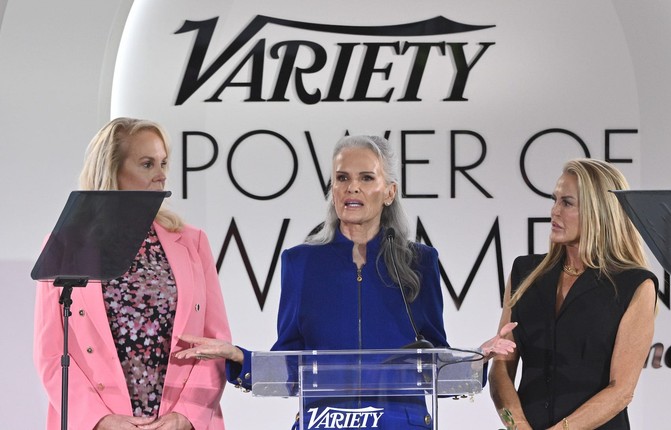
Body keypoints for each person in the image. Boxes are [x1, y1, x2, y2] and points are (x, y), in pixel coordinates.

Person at [176, 135, 515, 429]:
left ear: (389, 192)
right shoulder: (300, 263)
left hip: (401, 424)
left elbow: (432, 360)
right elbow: (290, 366)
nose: (352, 187)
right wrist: (239, 357)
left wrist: (473, 359)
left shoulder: (420, 262)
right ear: (333, 188)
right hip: (325, 421)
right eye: (342, 177)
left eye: (367, 178)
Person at [33, 117, 232, 430]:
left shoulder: (192, 243)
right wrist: (102, 420)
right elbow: (51, 355)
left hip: (179, 423)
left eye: (164, 163)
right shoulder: (66, 244)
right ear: (112, 169)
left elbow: (216, 343)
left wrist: (185, 417)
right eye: (147, 164)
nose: (162, 175)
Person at [489, 159, 658, 430]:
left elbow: (621, 390)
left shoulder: (634, 285)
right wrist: (518, 425)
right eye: (555, 200)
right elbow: (501, 367)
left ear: (599, 212)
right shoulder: (525, 272)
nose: (554, 211)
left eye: (566, 203)